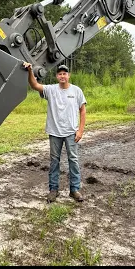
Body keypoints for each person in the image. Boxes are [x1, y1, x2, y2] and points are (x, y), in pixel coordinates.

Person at [22, 62, 87, 203]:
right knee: (54, 161)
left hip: (71, 133)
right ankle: (53, 190)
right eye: (60, 74)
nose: (62, 76)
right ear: (57, 76)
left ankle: (74, 190)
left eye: (65, 73)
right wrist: (30, 70)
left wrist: (80, 131)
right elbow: (34, 85)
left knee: (73, 160)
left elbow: (82, 110)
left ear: (68, 75)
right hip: (54, 132)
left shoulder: (76, 91)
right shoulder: (51, 90)